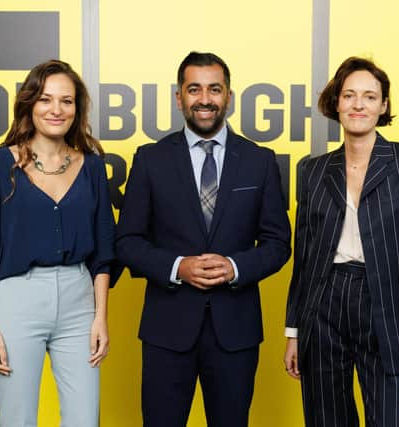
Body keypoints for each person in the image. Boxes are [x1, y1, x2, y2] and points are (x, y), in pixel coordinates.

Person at [115, 51, 291, 427]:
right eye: (194, 89)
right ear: (179, 97)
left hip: (236, 333)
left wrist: (235, 267)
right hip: (167, 331)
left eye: (215, 89)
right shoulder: (151, 160)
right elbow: (127, 241)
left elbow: (279, 243)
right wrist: (178, 267)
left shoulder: (260, 161)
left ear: (229, 96)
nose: (205, 99)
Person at [283, 56, 399, 426]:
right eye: (349, 95)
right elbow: (305, 258)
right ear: (336, 103)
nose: (358, 105)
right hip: (324, 306)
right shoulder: (313, 169)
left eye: (370, 97)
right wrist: (294, 331)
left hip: (388, 307)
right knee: (326, 419)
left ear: (384, 105)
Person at [0, 59, 116, 427]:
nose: (56, 109)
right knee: (17, 419)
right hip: (18, 298)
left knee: (84, 420)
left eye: (66, 101)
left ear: (77, 109)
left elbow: (103, 251)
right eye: (46, 99)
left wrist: (100, 317)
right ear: (30, 104)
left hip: (80, 299)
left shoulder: (93, 167)